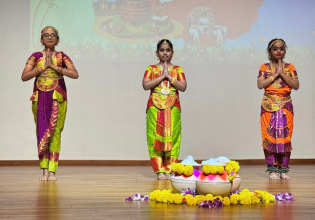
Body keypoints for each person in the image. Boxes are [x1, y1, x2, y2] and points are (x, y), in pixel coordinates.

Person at [21, 26, 79, 181]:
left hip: (57, 97)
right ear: (41, 39)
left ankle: (52, 171)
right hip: (40, 97)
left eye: (53, 35)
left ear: (57, 39)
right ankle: (44, 171)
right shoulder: (35, 56)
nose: (49, 37)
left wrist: (53, 67)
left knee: (55, 132)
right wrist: (40, 69)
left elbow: (74, 74)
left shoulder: (62, 57)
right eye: (46, 35)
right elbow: (24, 76)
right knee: (41, 131)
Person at [142, 39, 187, 180]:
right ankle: (159, 170)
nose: (165, 53)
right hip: (154, 108)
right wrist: (163, 76)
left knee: (173, 137)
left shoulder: (177, 69)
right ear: (157, 52)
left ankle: (170, 169)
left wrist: (170, 77)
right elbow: (145, 85)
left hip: (173, 107)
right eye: (162, 50)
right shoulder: (151, 69)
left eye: (168, 50)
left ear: (172, 53)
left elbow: (183, 87)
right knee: (155, 137)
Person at [257, 39, 299, 180]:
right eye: (275, 49)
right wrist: (275, 74)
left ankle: (283, 170)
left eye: (281, 48)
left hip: (286, 105)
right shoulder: (264, 67)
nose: (278, 51)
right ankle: (272, 170)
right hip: (268, 105)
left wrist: (283, 73)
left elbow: (296, 85)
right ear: (270, 51)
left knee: (285, 138)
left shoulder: (290, 67)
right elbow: (260, 84)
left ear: (284, 50)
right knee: (269, 138)